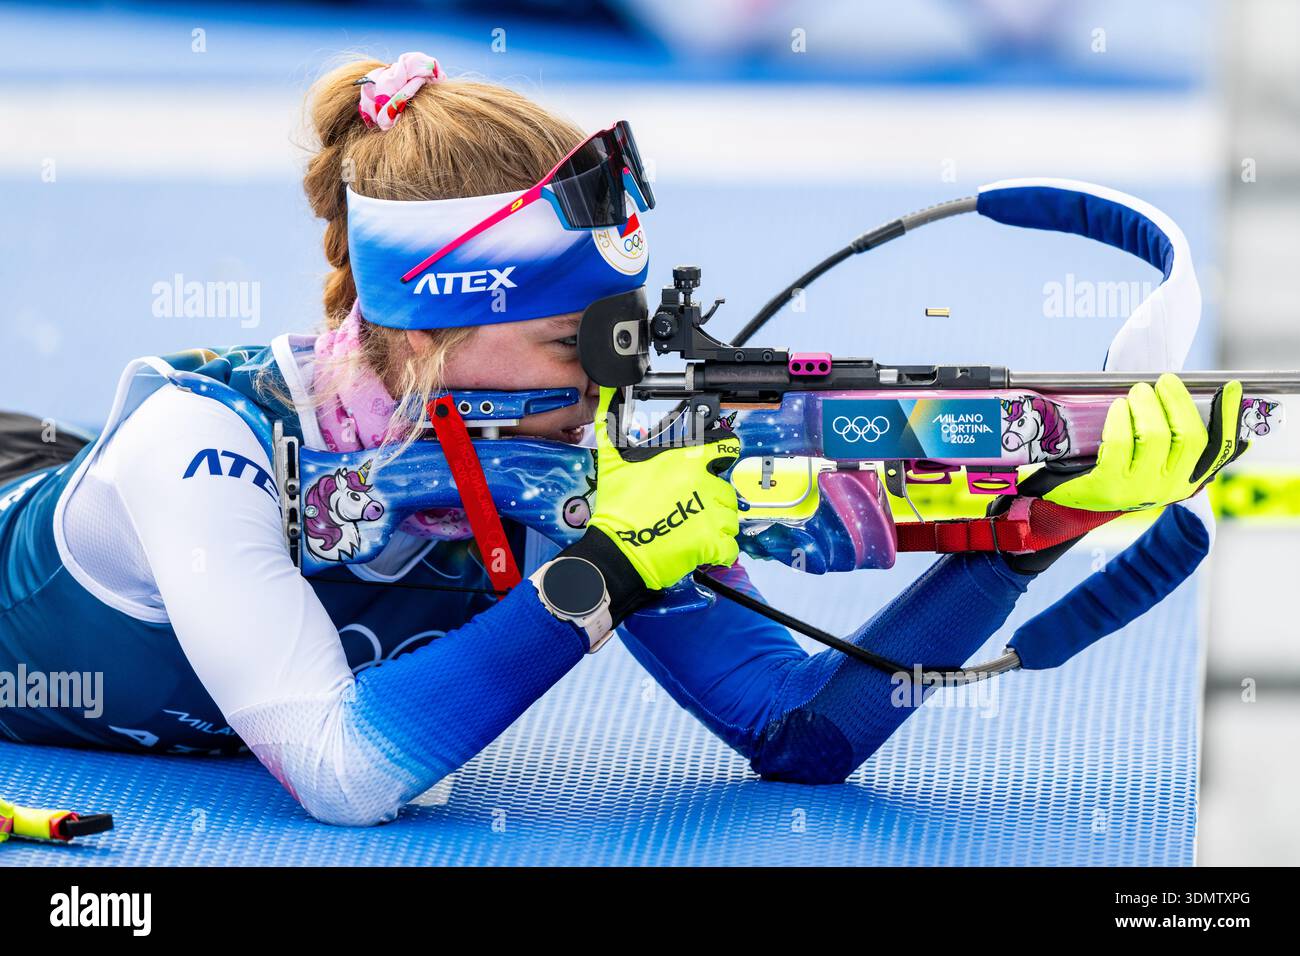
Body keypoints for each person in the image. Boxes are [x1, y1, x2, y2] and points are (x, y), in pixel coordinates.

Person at [0, 53, 1245, 827]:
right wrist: (604, 573)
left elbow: (800, 730)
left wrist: (1026, 535)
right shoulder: (197, 446)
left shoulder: (562, 455)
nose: (612, 380)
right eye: (570, 342)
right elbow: (342, 772)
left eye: (626, 333)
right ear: (434, 334)